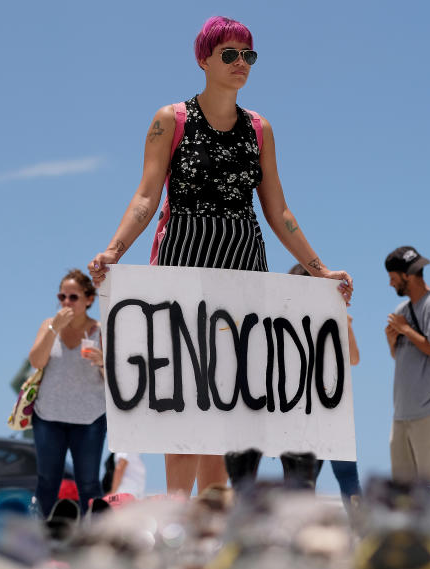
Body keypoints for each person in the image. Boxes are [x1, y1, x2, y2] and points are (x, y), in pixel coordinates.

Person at [87, 16, 353, 497]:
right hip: (182, 262)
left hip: (243, 265)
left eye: (248, 55)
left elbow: (278, 209)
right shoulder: (170, 119)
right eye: (229, 54)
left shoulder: (260, 128)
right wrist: (114, 249)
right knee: (182, 401)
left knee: (225, 409)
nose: (240, 64)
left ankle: (209, 529)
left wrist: (320, 270)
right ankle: (175, 520)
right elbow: (147, 197)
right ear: (203, 59)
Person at [28, 269, 107, 516]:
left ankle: (92, 540)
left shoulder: (101, 329)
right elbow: (37, 362)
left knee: (89, 484)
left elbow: (117, 380)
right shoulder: (48, 325)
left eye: (73, 297)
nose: (66, 303)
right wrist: (54, 329)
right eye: (62, 297)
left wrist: (103, 362)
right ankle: (38, 538)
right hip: (49, 417)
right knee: (47, 482)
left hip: (89, 419)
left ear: (89, 299)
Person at [384, 246, 430, 493]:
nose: (391, 284)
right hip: (401, 414)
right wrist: (392, 340)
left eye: (393, 278)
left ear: (407, 275)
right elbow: (399, 357)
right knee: (403, 490)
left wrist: (406, 331)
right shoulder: (400, 312)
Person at [289, 264, 361, 504]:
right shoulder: (287, 321)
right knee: (339, 481)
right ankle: (360, 533)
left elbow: (353, 358)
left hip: (319, 411)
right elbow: (354, 359)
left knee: (307, 485)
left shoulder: (289, 320)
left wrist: (346, 323)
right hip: (315, 412)